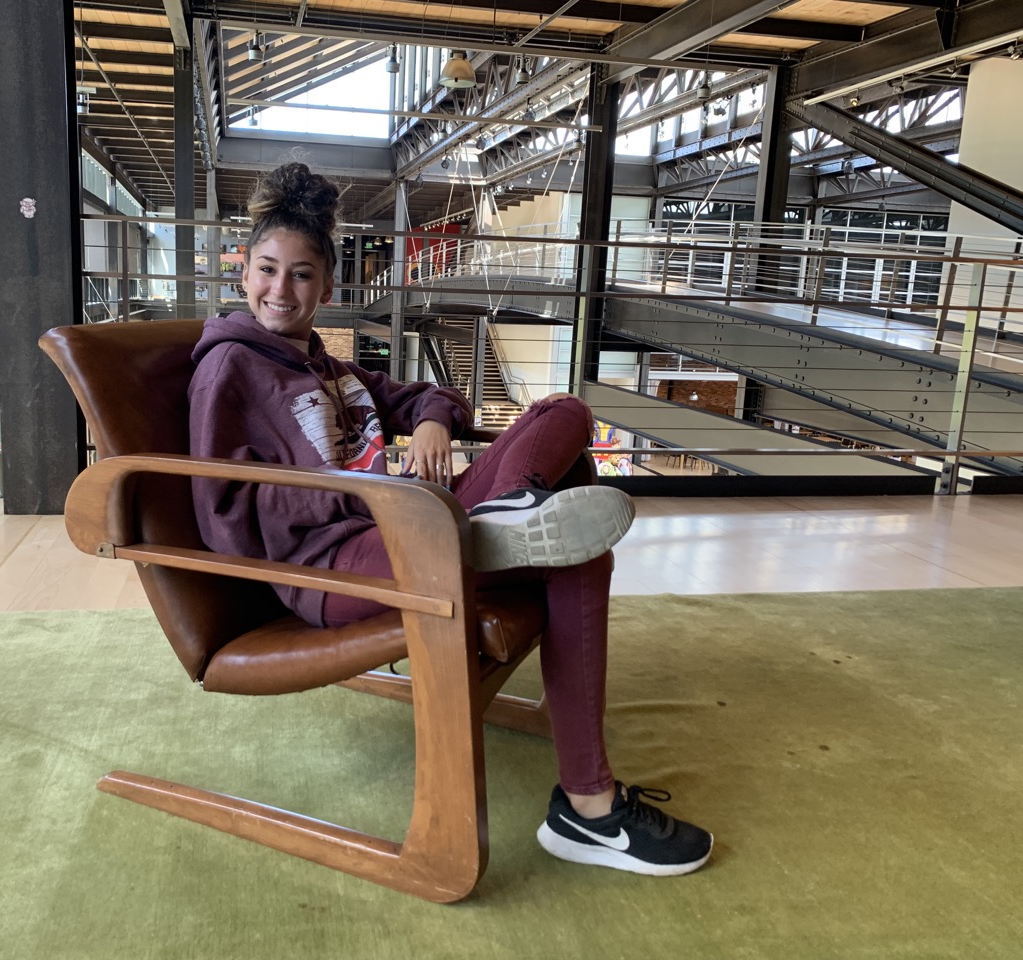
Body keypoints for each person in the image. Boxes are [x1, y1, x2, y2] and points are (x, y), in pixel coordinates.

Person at [188, 161, 712, 877]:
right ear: (243, 272)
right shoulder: (229, 369)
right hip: (332, 563)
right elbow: (221, 503)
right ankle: (590, 804)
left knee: (564, 417)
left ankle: (507, 521)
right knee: (573, 540)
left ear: (328, 287)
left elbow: (431, 396)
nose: (283, 290)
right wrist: (365, 493)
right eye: (269, 271)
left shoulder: (331, 366)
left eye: (302, 274)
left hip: (409, 525)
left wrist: (430, 425)